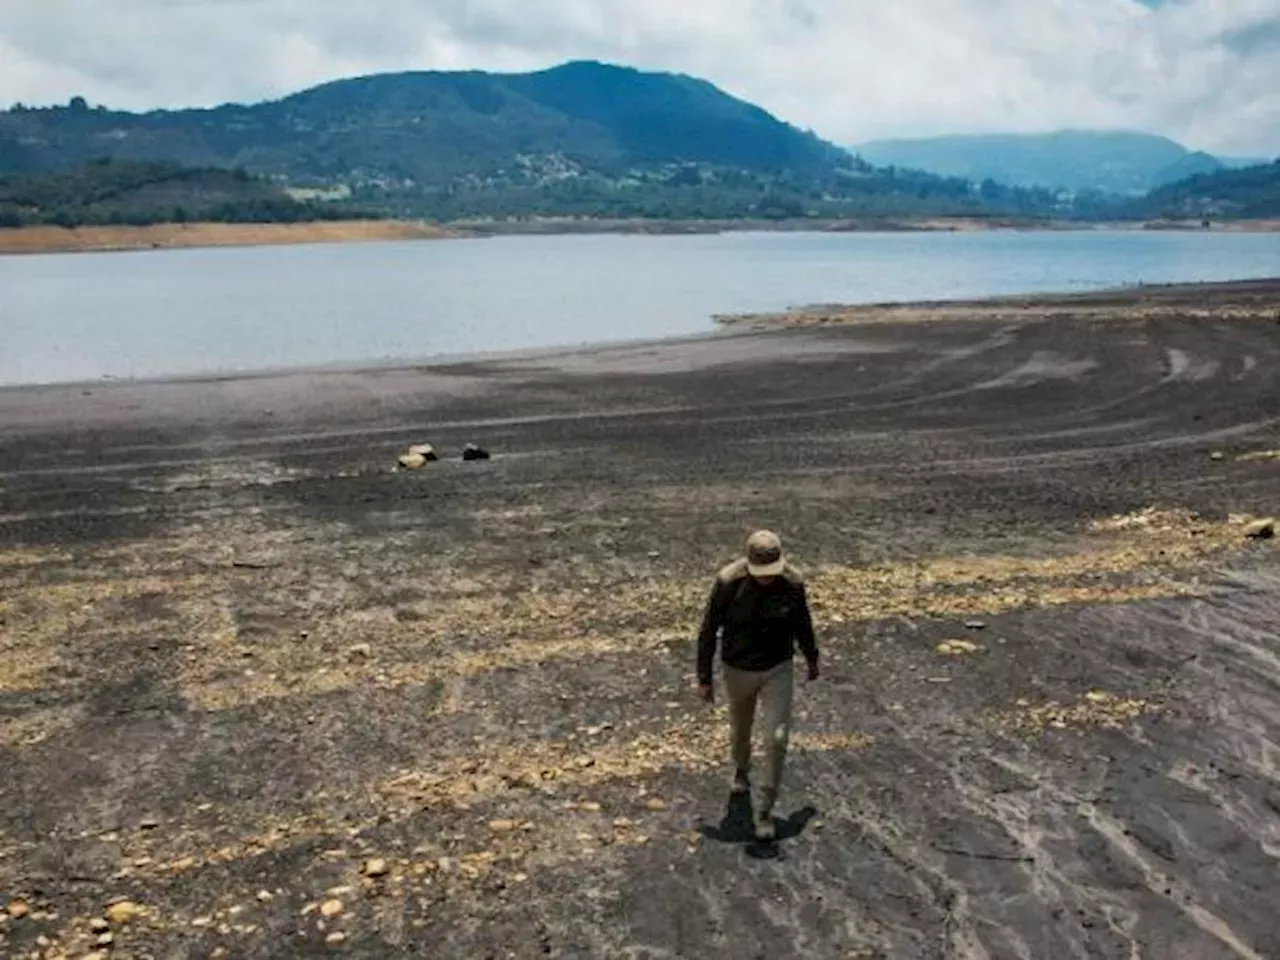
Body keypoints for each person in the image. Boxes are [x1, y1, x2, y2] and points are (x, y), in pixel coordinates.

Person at [696, 530, 819, 840]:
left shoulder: (792, 583)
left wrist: (812, 658)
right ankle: (741, 770)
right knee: (741, 729)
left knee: (777, 737)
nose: (767, 580)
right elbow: (709, 630)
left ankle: (764, 809)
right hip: (737, 669)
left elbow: (802, 622)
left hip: (778, 668)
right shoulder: (728, 582)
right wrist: (704, 678)